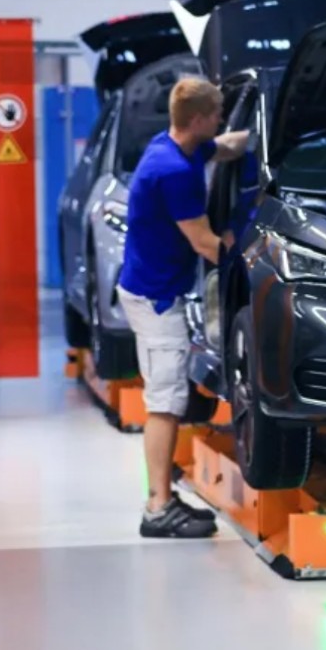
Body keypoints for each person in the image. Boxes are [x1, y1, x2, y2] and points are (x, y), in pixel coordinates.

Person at [117, 77, 250, 539]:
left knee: (167, 398)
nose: (218, 124)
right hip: (155, 300)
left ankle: (161, 494)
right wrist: (245, 250)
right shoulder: (171, 171)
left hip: (153, 288)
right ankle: (158, 507)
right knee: (165, 403)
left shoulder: (175, 144)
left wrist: (263, 135)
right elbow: (206, 245)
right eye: (215, 116)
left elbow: (223, 147)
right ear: (197, 119)